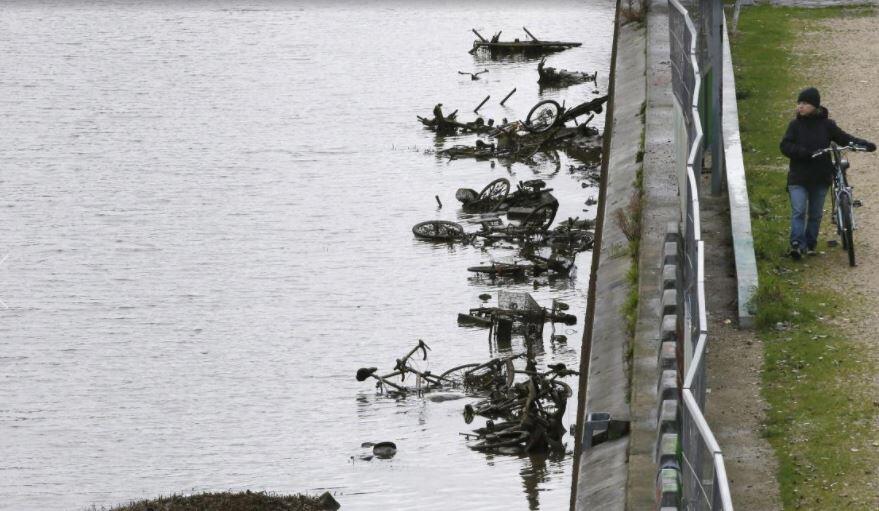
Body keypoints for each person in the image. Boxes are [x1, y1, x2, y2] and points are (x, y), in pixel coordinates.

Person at [779, 87, 876, 259]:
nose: (799, 107)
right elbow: (785, 146)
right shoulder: (794, 126)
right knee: (799, 210)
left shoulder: (827, 126)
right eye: (799, 103)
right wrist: (803, 152)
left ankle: (809, 244)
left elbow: (844, 138)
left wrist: (864, 144)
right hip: (798, 177)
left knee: (816, 214)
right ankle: (796, 244)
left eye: (804, 103)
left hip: (820, 176)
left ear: (814, 106)